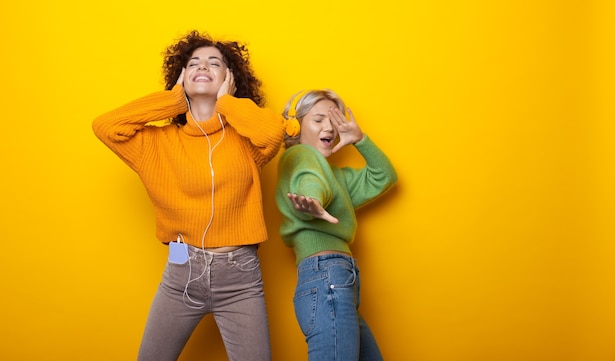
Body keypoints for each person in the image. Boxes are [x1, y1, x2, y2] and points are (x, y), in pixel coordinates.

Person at [92, 30, 284, 361]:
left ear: (230, 79)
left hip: (239, 277)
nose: (202, 67)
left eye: (215, 63)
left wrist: (227, 103)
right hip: (182, 273)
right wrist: (172, 100)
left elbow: (273, 132)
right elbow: (105, 126)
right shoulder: (155, 144)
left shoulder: (247, 141)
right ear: (180, 76)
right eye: (193, 63)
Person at [275, 89, 398, 361]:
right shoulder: (301, 157)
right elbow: (310, 181)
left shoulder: (337, 177)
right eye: (318, 119)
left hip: (339, 281)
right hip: (327, 277)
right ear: (295, 126)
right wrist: (312, 201)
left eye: (334, 121)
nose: (329, 127)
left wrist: (360, 140)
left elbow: (384, 176)